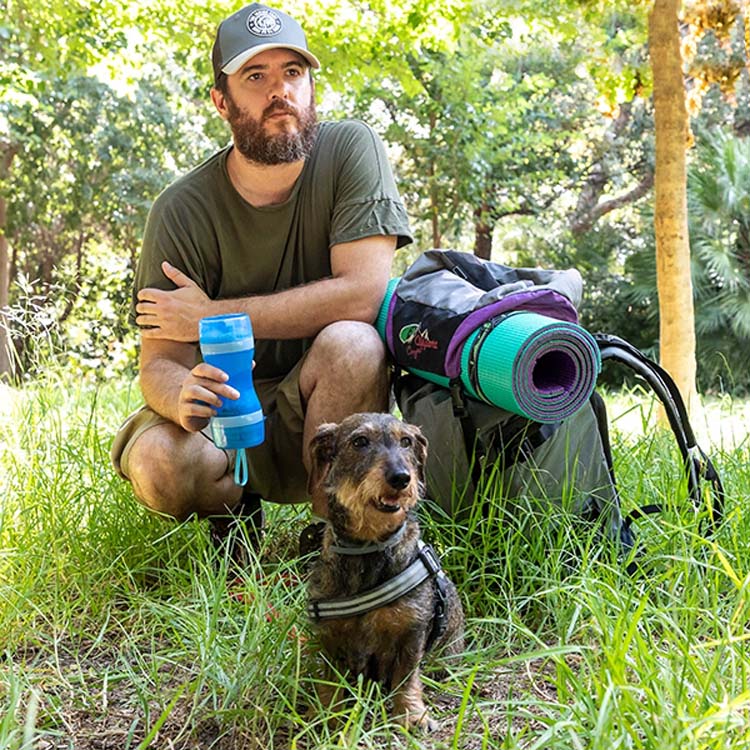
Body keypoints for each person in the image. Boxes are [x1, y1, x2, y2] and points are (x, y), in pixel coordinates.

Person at [110, 2, 413, 559]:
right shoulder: (179, 210)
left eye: (293, 73)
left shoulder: (350, 150)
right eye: (256, 76)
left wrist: (211, 316)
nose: (281, 91)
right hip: (222, 413)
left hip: (319, 398)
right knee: (158, 465)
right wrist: (181, 396)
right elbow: (157, 361)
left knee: (355, 341)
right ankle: (234, 520)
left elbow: (363, 292)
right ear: (221, 101)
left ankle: (334, 539)